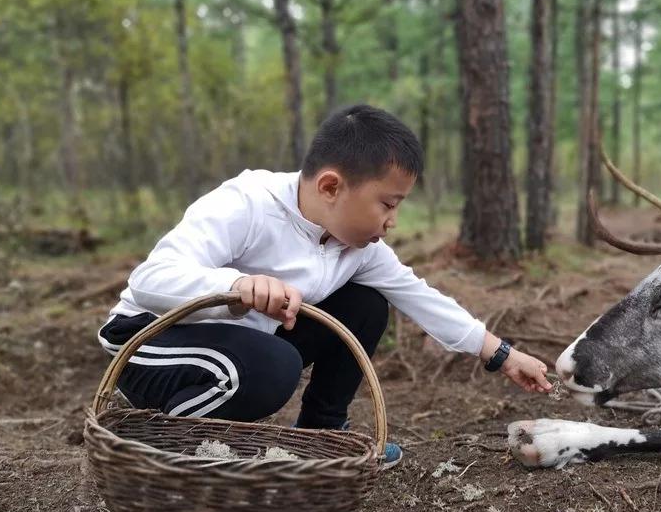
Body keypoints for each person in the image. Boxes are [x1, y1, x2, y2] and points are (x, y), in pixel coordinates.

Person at [97, 104, 553, 468]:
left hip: (242, 348)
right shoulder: (247, 204)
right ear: (332, 186)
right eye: (387, 204)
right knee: (272, 365)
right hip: (147, 341)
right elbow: (150, 279)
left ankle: (320, 436)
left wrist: (503, 355)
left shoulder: (358, 248)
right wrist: (236, 285)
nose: (392, 222)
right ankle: (181, 450)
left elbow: (420, 296)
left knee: (366, 306)